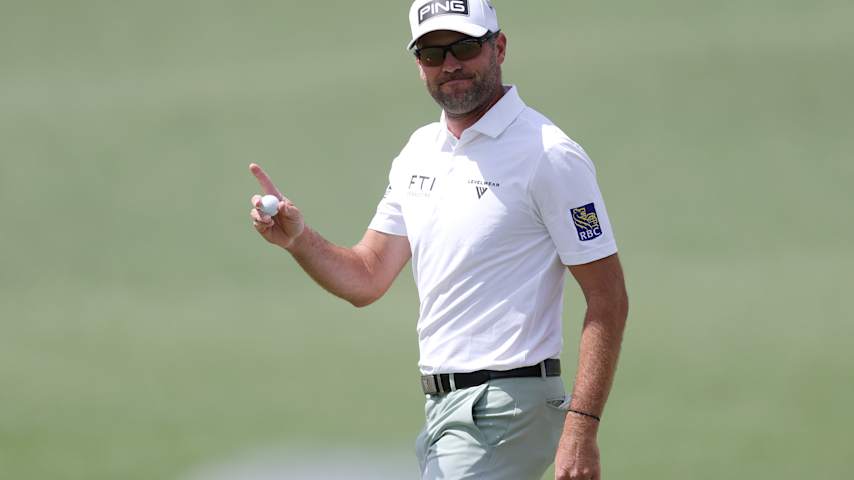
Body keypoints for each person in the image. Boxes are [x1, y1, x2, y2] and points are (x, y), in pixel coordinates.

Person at [248, 1, 628, 478]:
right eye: (432, 54)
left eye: (465, 47)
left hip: (508, 406)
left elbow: (608, 296)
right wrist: (299, 241)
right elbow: (367, 276)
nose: (450, 65)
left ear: (500, 48)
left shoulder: (549, 155)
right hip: (444, 411)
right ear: (418, 66)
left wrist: (582, 427)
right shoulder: (418, 152)